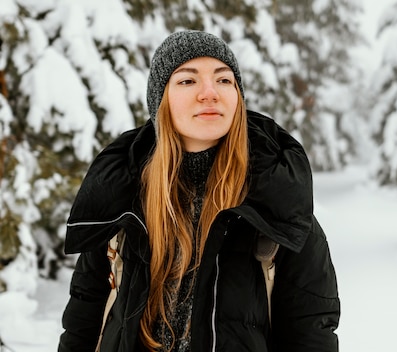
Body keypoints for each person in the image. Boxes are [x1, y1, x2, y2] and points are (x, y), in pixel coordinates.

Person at [58, 30, 340, 352]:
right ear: (161, 101)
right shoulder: (120, 199)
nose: (210, 93)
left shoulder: (277, 207)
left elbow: (312, 334)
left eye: (223, 80)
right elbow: (84, 318)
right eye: (188, 81)